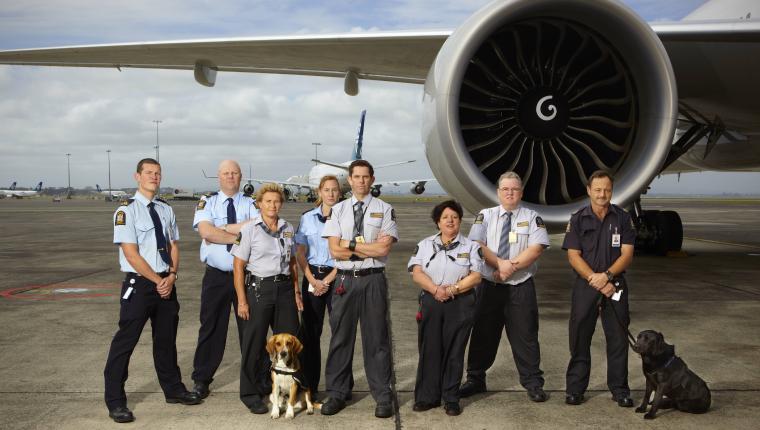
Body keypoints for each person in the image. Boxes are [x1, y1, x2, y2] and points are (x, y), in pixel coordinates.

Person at [104, 158, 201, 424]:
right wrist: (156, 280)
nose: (154, 177)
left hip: (166, 282)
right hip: (140, 285)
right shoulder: (126, 211)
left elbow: (173, 246)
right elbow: (130, 253)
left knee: (166, 341)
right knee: (125, 343)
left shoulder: (165, 209)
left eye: (157, 173)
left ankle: (173, 390)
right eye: (148, 173)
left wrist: (171, 275)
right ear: (137, 176)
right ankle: (115, 401)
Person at [459, 171, 550, 403]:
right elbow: (477, 244)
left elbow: (537, 247)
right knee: (483, 333)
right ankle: (475, 379)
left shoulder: (532, 217)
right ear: (499, 192)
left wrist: (510, 267)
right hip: (490, 286)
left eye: (515, 189)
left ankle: (533, 383)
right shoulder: (485, 215)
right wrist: (499, 263)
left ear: (521, 192)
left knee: (526, 335)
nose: (510, 193)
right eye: (505, 189)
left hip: (520, 285)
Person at [319, 160, 398, 419]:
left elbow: (383, 250)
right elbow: (334, 250)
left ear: (372, 180)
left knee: (377, 339)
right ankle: (337, 393)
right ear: (349, 180)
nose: (362, 181)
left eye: (366, 177)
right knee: (341, 338)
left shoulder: (385, 209)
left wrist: (349, 243)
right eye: (357, 177)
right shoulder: (338, 210)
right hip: (344, 280)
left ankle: (383, 395)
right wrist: (366, 246)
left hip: (373, 279)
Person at [562, 170, 636, 407]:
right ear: (589, 191)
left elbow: (627, 254)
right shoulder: (577, 218)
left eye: (606, 190)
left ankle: (619, 389)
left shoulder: (623, 218)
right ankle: (575, 389)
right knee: (580, 337)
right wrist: (594, 279)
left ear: (611, 191)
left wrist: (607, 277)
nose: (602, 194)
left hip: (615, 284)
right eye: (597, 190)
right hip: (586, 285)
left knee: (618, 338)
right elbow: (573, 256)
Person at [231, 183, 303, 414]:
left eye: (277, 201)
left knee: (289, 341)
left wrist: (296, 291)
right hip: (259, 290)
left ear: (281, 203)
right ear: (259, 204)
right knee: (254, 343)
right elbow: (238, 266)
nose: (273, 205)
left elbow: (292, 263)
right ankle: (250, 393)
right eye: (268, 201)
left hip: (284, 290)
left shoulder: (287, 228)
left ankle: (284, 389)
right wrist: (242, 300)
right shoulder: (249, 229)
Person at [190, 160, 259, 399]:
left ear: (241, 177)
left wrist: (223, 229)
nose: (230, 176)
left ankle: (256, 379)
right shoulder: (207, 201)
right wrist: (240, 234)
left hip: (247, 277)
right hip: (216, 277)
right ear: (218, 177)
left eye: (235, 173)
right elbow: (206, 232)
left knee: (251, 330)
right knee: (211, 328)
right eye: (226, 173)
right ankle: (201, 380)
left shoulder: (252, 203)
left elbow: (257, 229)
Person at [408, 200, 483, 416]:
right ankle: (427, 397)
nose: (450, 221)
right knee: (430, 349)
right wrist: (435, 289)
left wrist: (452, 290)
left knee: (454, 351)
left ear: (460, 221)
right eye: (445, 217)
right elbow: (417, 272)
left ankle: (451, 398)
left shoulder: (471, 247)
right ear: (437, 222)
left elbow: (476, 276)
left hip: (460, 302)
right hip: (432, 300)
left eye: (455, 217)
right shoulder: (424, 244)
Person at [295, 175, 340, 397]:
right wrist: (313, 280)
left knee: (341, 333)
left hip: (337, 277)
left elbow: (347, 255)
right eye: (327, 190)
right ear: (319, 192)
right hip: (312, 276)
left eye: (334, 190)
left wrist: (328, 280)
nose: (331, 194)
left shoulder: (345, 218)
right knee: (310, 333)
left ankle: (340, 386)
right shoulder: (307, 219)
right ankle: (309, 385)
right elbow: (300, 253)